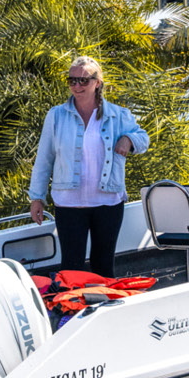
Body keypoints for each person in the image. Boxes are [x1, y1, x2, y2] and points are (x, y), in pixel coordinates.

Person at [27, 56, 149, 278]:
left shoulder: (118, 115)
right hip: (69, 204)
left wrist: (129, 140)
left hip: (108, 203)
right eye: (72, 80)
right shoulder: (56, 116)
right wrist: (37, 198)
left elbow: (144, 138)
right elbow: (44, 158)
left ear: (97, 83)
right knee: (71, 269)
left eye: (84, 81)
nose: (77, 86)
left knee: (103, 266)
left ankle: (105, 310)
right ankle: (72, 312)